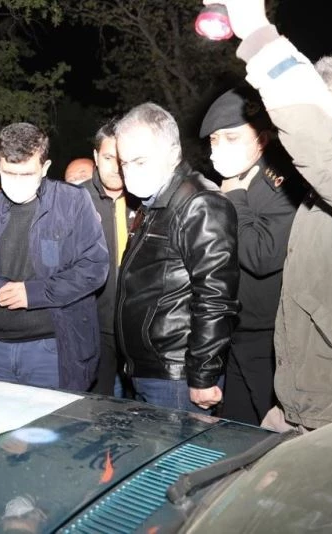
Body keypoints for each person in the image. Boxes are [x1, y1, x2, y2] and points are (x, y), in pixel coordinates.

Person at [207, 0, 332, 431]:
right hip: (308, 405)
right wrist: (288, 404)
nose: (297, 133)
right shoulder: (321, 192)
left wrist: (257, 33)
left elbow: (321, 144)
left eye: (326, 117)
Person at [114, 103, 239, 413]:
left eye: (140, 161)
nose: (129, 171)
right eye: (124, 162)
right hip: (150, 371)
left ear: (172, 152)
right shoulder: (154, 201)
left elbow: (215, 297)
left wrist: (203, 374)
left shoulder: (199, 203)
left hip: (178, 378)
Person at [0, 122, 108, 391]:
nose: (17, 182)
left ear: (45, 167)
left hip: (52, 346)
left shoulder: (73, 202)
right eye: (9, 173)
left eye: (27, 174)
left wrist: (33, 293)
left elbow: (94, 267)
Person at [200, 85, 304, 426]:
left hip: (269, 337)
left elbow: (261, 255)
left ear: (261, 140)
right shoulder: (233, 178)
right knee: (237, 429)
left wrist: (235, 199)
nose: (219, 147)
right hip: (236, 329)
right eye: (214, 140)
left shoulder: (283, 183)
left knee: (275, 433)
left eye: (231, 138)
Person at [82, 119, 139, 396]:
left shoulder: (147, 197)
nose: (116, 167)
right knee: (96, 405)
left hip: (139, 327)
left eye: (122, 159)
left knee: (143, 408)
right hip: (94, 326)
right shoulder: (77, 201)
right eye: (108, 158)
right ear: (96, 157)